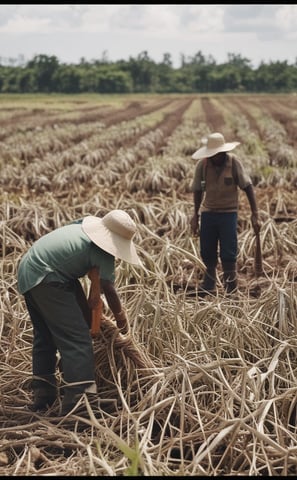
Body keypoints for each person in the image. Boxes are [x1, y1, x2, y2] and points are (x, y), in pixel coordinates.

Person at [17, 209, 142, 415]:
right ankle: (79, 402)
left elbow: (88, 296)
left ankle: (43, 394)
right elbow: (108, 289)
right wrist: (121, 320)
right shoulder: (102, 250)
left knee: (45, 336)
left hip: (30, 270)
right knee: (78, 340)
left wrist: (90, 318)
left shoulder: (81, 228)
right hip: (49, 278)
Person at [190, 132, 260, 297]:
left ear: (223, 152)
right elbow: (197, 190)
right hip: (208, 213)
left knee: (228, 251)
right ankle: (209, 284)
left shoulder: (234, 163)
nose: (215, 157)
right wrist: (195, 215)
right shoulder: (203, 165)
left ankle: (231, 286)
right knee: (207, 249)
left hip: (228, 214)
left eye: (217, 154)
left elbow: (248, 186)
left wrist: (255, 213)